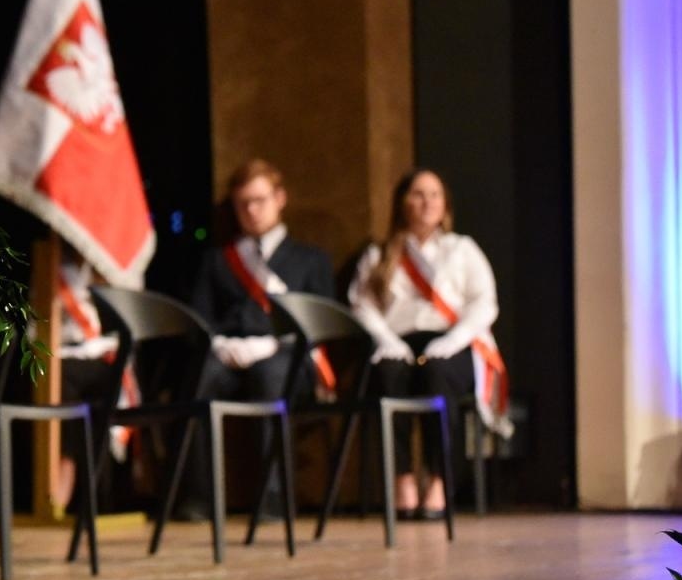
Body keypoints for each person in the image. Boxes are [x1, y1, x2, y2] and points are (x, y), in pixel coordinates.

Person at [348, 167, 511, 520]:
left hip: (451, 345)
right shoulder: (380, 253)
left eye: (435, 194)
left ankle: (439, 480)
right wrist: (386, 340)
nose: (427, 202)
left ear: (445, 204)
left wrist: (454, 340)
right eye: (418, 194)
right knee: (389, 375)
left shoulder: (462, 249)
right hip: (399, 343)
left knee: (438, 375)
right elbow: (361, 304)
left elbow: (485, 302)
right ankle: (403, 479)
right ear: (402, 202)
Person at [178, 158, 336, 519]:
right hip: (230, 352)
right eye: (242, 203)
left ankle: (273, 498)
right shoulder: (218, 260)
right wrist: (221, 344)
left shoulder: (310, 259)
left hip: (288, 356)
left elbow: (322, 322)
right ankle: (198, 498)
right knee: (201, 374)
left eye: (259, 200)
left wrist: (275, 344)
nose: (251, 210)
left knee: (271, 377)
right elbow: (199, 321)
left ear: (280, 198)